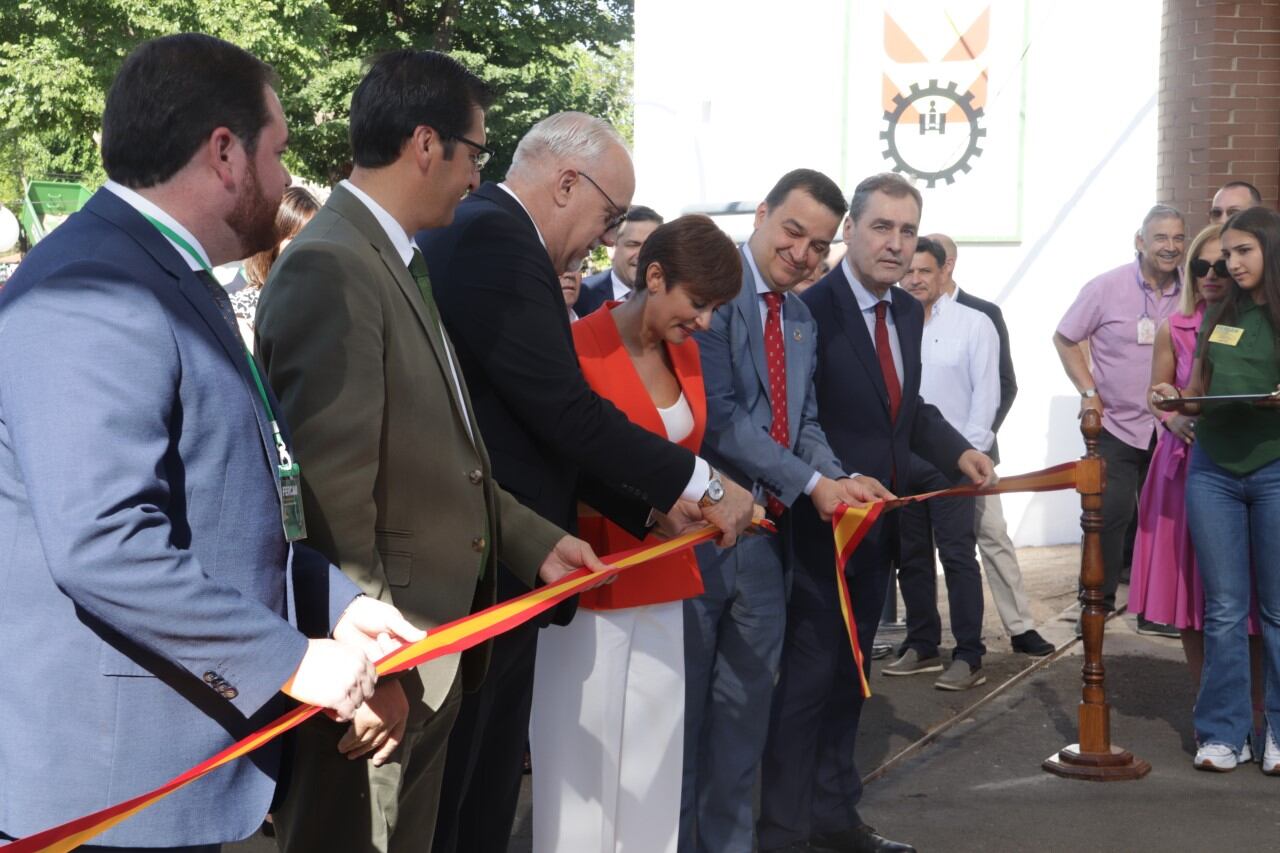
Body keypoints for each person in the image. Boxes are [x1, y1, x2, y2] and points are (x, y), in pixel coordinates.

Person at [0, 33, 422, 850]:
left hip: (160, 775)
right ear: (225, 153)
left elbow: (220, 508)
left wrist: (340, 606)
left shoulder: (164, 271)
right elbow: (105, 544)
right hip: (111, 792)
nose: (287, 181)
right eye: (280, 153)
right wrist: (291, 659)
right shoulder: (97, 286)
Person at [256, 51, 605, 853]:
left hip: (427, 647)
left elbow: (449, 453)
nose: (479, 178)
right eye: (477, 152)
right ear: (425, 144)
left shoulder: (392, 258)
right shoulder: (334, 267)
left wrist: (531, 538)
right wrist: (373, 668)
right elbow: (331, 500)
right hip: (386, 664)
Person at [416, 111, 755, 853]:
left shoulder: (489, 236)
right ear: (567, 182)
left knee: (491, 788)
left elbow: (537, 426)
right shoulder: (501, 242)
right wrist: (701, 483)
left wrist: (647, 507)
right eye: (608, 216)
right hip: (496, 559)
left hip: (519, 557)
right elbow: (563, 413)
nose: (607, 241)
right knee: (478, 793)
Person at [758, 173, 995, 853]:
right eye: (882, 227)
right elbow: (795, 420)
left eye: (908, 231)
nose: (896, 244)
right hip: (816, 528)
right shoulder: (808, 308)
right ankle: (780, 830)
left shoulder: (910, 313)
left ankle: (834, 817)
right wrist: (831, 482)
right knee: (806, 682)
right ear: (852, 232)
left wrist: (958, 453)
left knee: (852, 678)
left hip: (877, 532)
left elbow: (906, 412)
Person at [683, 170, 893, 853]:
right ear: (764, 213)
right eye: (793, 232)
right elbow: (722, 421)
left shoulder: (798, 318)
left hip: (767, 545)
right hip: (697, 535)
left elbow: (799, 422)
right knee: (686, 717)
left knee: (744, 715)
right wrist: (813, 484)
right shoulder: (714, 296)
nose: (802, 253)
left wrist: (841, 477)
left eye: (818, 244)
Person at [529, 215, 743, 853]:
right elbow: (564, 465)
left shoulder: (685, 350)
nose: (705, 322)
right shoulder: (576, 346)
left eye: (714, 309)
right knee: (581, 777)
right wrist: (656, 506)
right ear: (654, 277)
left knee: (652, 771)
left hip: (666, 580)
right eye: (697, 304)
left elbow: (692, 453)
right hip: (591, 582)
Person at [1152, 206, 1280, 773]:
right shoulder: (1216, 312)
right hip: (1213, 471)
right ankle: (1224, 733)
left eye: (1242, 251)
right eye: (1226, 254)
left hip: (1275, 468)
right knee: (1225, 610)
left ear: (1269, 250)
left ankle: (1276, 729)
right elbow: (1197, 392)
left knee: (1277, 611)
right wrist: (1169, 396)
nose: (1230, 263)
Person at [1133, 225, 1262, 694]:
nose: (1210, 275)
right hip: (1183, 466)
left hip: (1246, 462)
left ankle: (1253, 707)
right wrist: (1171, 417)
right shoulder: (1177, 325)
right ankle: (1210, 701)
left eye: (1220, 265)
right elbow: (1156, 392)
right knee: (1190, 592)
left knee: (1245, 594)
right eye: (1199, 266)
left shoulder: (1258, 321)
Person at [1054, 205, 1186, 635]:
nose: (1170, 247)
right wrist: (1089, 392)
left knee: (1165, 522)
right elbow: (1066, 336)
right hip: (1116, 426)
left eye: (1178, 238)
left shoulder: (1194, 293)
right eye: (1161, 238)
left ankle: (1156, 609)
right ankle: (1096, 604)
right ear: (1140, 241)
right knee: (1108, 517)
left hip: (1173, 429)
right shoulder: (1106, 287)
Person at [927, 233, 1053, 656]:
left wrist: (973, 446)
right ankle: (923, 637)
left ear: (949, 265)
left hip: (975, 453)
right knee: (921, 549)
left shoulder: (982, 314)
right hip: (920, 456)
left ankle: (1020, 627)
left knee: (992, 536)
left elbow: (1004, 385)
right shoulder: (905, 313)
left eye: (930, 264)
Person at [886, 236, 999, 689]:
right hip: (902, 461)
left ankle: (969, 654)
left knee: (957, 557)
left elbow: (988, 396)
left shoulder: (975, 324)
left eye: (924, 271)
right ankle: (923, 644)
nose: (914, 279)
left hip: (955, 461)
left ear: (943, 272)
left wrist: (966, 454)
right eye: (908, 272)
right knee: (911, 557)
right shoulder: (892, 324)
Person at [233, 185, 319, 345]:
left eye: (314, 234)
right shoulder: (243, 311)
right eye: (294, 237)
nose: (307, 244)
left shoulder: (325, 301)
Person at [576, 204, 664, 315]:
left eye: (651, 245)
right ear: (611, 249)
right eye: (633, 244)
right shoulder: (580, 296)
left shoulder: (675, 297)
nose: (643, 254)